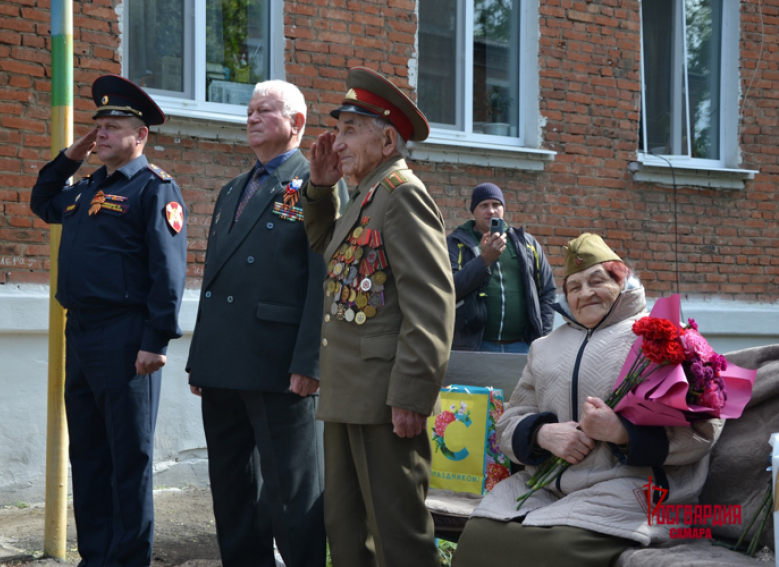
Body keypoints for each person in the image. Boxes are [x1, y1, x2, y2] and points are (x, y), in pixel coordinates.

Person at [451, 233, 723, 567]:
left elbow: (704, 429)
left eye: (597, 281)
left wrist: (622, 432)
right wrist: (541, 434)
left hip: (632, 490)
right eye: (574, 286)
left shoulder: (664, 337)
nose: (585, 293)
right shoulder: (544, 347)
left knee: (556, 551)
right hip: (545, 487)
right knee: (478, 539)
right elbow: (509, 420)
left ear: (621, 282)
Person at [185, 80, 345, 567]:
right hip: (224, 364)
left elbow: (323, 278)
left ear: (296, 123)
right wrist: (201, 359)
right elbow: (216, 278)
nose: (252, 118)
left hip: (280, 367)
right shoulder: (234, 187)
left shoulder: (314, 183)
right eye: (250, 110)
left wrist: (310, 361)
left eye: (265, 111)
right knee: (231, 491)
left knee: (292, 497)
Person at [30, 74, 187, 567]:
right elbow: (41, 200)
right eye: (98, 125)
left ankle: (128, 559)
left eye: (113, 126)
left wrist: (155, 339)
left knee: (129, 459)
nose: (101, 134)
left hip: (126, 338)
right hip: (81, 332)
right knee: (90, 455)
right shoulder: (84, 187)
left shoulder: (153, 188)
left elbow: (168, 270)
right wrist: (73, 153)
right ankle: (96, 556)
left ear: (140, 136)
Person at [303, 67, 455, 567]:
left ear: (387, 139)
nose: (336, 141)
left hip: (386, 401)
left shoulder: (401, 194)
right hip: (348, 391)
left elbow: (430, 305)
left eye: (350, 129)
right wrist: (320, 190)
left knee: (398, 537)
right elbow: (328, 252)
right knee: (346, 533)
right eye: (339, 127)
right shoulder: (366, 195)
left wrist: (411, 395)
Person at [447, 182, 556, 353]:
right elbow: (449, 289)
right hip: (475, 346)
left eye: (496, 204)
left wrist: (541, 338)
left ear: (503, 208)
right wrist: (484, 260)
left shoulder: (527, 244)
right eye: (484, 205)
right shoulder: (457, 243)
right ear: (473, 210)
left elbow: (547, 292)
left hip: (522, 346)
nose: (491, 210)